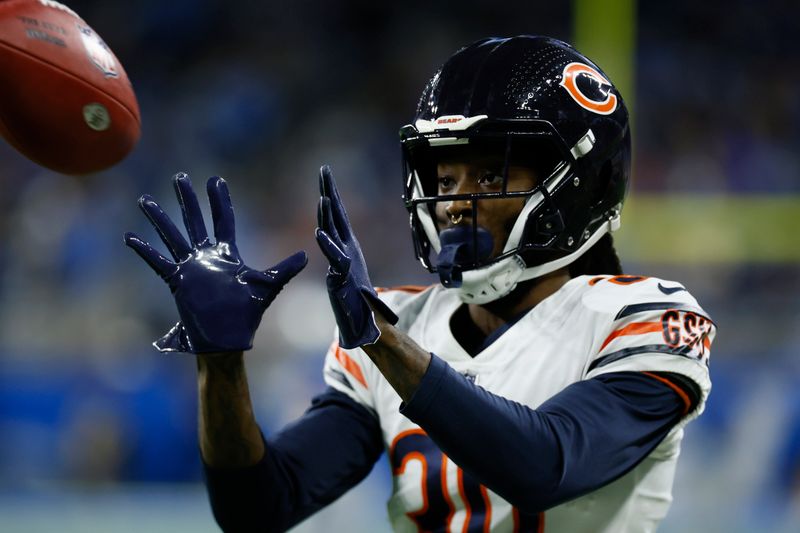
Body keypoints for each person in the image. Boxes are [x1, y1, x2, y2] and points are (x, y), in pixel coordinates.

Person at [125, 36, 715, 533]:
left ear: (580, 184)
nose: (456, 201)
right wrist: (221, 361)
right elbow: (259, 508)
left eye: (490, 174)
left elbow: (544, 467)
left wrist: (382, 342)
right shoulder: (404, 323)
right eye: (445, 174)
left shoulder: (641, 317)